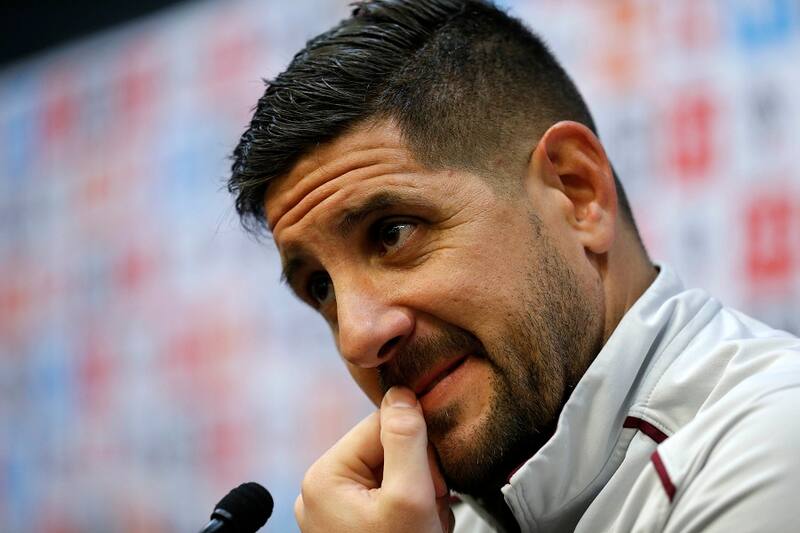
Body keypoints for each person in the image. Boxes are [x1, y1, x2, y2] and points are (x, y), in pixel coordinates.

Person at [227, 1, 800, 531]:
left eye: (393, 233)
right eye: (320, 287)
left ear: (578, 194)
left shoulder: (773, 438)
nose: (357, 337)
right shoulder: (438, 514)